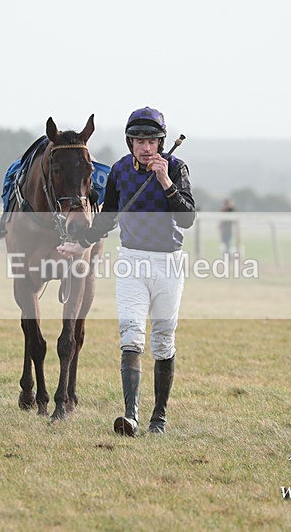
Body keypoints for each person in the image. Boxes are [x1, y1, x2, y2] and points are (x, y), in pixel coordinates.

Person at [57, 107, 196, 436]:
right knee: (131, 336)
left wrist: (165, 182)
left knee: (163, 340)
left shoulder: (176, 168)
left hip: (168, 263)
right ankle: (130, 417)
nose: (146, 148)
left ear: (161, 143)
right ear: (130, 142)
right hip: (132, 261)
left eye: (152, 141)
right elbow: (108, 216)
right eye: (139, 141)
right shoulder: (120, 170)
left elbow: (188, 218)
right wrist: (82, 243)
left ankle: (158, 419)